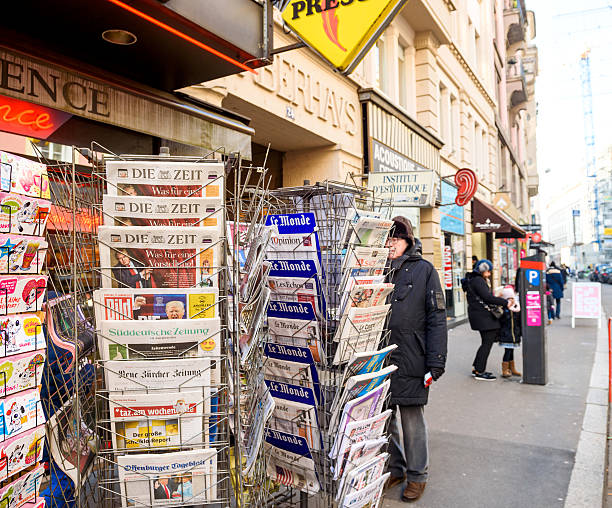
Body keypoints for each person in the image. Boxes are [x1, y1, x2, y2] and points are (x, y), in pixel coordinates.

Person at [384, 217, 447, 502]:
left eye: (395, 240)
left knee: (412, 420)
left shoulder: (424, 270)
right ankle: (394, 468)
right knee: (385, 420)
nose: (390, 245)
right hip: (381, 358)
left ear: (408, 241)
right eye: (387, 240)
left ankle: (417, 476)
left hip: (412, 357)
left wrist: (436, 361)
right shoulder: (377, 268)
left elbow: (437, 318)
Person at [462, 259, 513, 381]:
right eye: (488, 271)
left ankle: (477, 368)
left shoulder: (473, 279)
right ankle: (479, 371)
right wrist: (505, 302)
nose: (489, 274)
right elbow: (487, 297)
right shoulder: (478, 281)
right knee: (487, 343)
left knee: (486, 342)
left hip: (479, 315)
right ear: (483, 270)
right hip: (483, 317)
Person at [495, 286, 522, 378]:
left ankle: (512, 368)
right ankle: (505, 370)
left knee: (511, 351)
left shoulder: (517, 307)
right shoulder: (503, 308)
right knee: (507, 351)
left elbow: (518, 321)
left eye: (512, 298)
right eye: (509, 298)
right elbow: (500, 320)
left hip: (514, 334)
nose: (511, 300)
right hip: (506, 334)